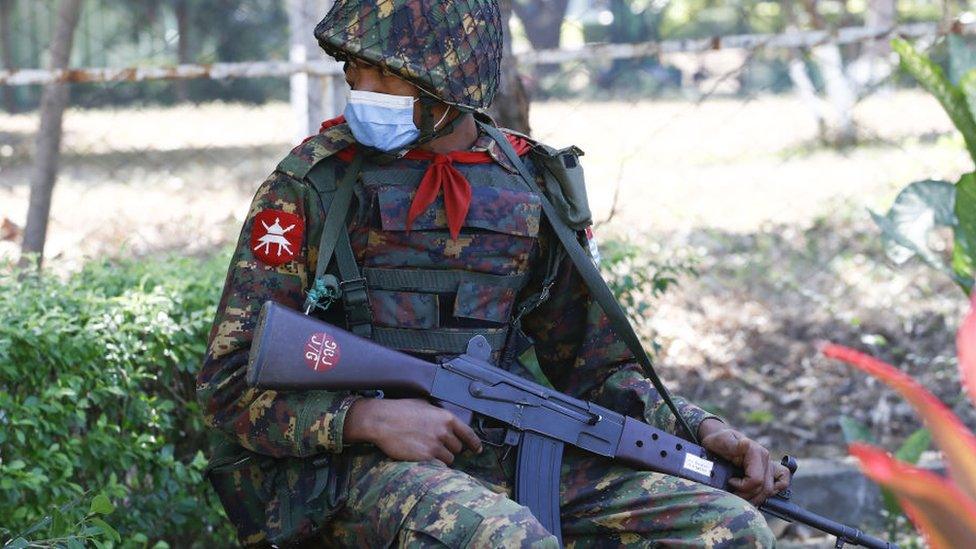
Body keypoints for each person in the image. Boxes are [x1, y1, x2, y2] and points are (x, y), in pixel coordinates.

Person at [197, 0, 789, 546]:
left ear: (451, 85)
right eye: (355, 66)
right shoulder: (312, 184)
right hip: (345, 470)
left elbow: (598, 369)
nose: (361, 87)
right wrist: (367, 419)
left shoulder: (529, 185)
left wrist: (699, 429)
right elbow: (229, 381)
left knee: (731, 530)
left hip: (499, 450)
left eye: (386, 73)